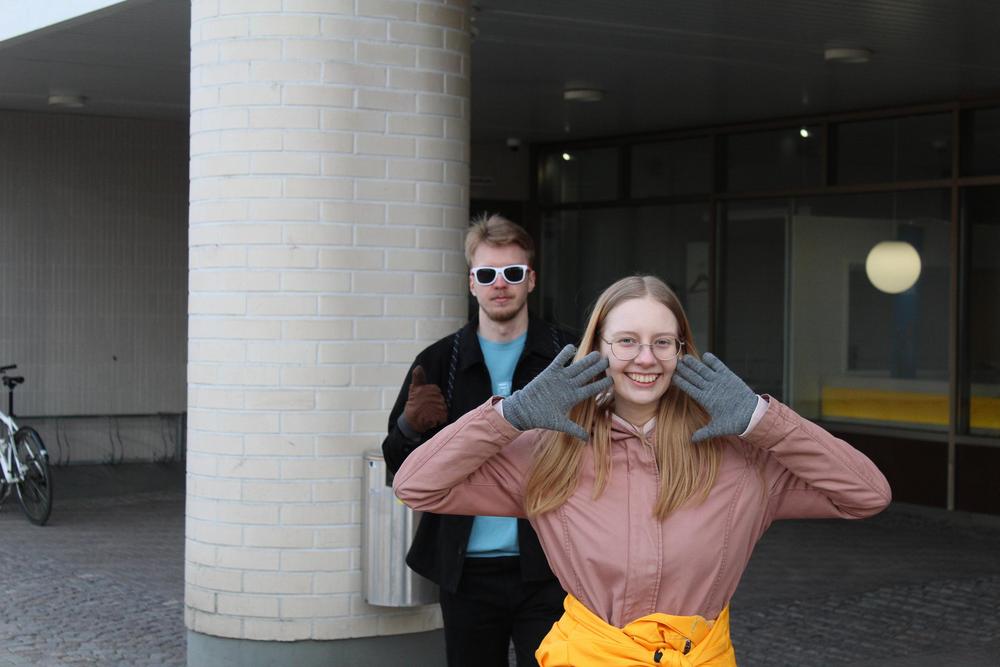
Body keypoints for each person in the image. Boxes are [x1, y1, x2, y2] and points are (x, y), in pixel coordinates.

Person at [393, 275, 892, 666]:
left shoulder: (742, 457)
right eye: (626, 341)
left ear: (682, 350)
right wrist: (511, 415)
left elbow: (867, 494)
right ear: (598, 349)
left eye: (662, 342)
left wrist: (764, 420)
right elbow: (416, 485)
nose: (646, 359)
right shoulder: (551, 451)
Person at [382, 214, 574, 667]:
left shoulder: (567, 355)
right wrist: (409, 427)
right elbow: (399, 468)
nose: (499, 284)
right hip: (465, 569)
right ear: (472, 283)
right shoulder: (438, 361)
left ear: (531, 280)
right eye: (487, 274)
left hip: (551, 563)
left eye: (512, 272)